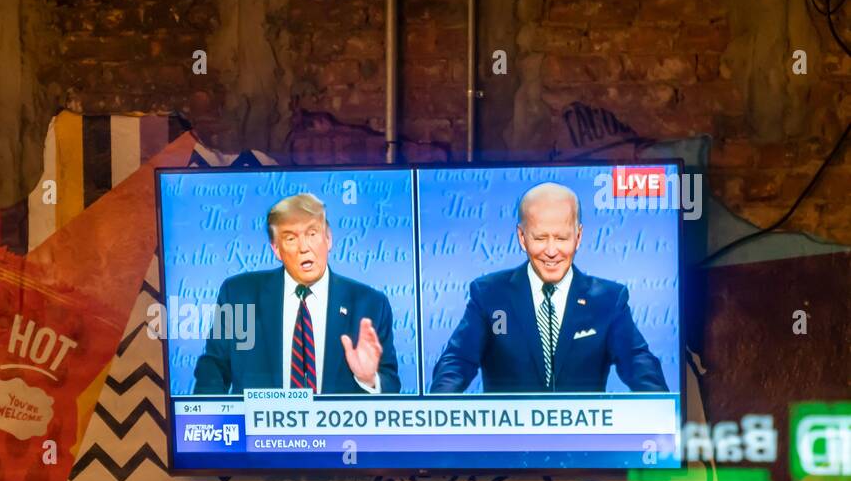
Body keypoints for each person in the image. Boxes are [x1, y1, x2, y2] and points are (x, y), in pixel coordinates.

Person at [429, 182, 668, 394]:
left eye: (562, 238)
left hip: (583, 441)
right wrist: (438, 412)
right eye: (541, 238)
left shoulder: (608, 300)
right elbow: (457, 361)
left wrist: (663, 414)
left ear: (578, 236)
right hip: (509, 439)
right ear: (522, 238)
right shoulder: (490, 295)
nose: (551, 251)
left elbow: (637, 362)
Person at [193, 192, 401, 395]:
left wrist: (368, 379)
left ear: (328, 239)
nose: (304, 247)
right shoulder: (240, 296)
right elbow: (213, 369)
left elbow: (391, 384)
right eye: (291, 238)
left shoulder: (369, 304)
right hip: (260, 429)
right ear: (276, 249)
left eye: (312, 234)